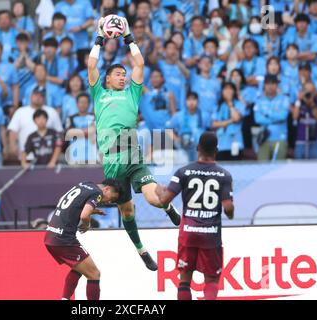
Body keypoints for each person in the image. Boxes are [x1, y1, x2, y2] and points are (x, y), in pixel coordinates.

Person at [88, 16, 181, 271]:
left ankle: (168, 206)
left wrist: (128, 36)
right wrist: (99, 37)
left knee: (154, 199)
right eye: (118, 74)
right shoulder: (100, 93)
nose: (122, 77)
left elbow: (139, 63)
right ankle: (142, 251)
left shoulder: (132, 92)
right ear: (107, 79)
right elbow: (91, 65)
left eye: (124, 74)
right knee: (127, 213)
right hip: (112, 165)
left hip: (133, 158)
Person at [155, 131, 235, 301]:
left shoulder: (183, 172)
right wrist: (230, 210)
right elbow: (228, 209)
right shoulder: (224, 175)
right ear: (216, 150)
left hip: (188, 232)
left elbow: (164, 200)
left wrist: (159, 191)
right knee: (212, 279)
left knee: (184, 279)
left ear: (198, 148)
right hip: (211, 234)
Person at [44, 179, 122, 300]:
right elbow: (84, 216)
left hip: (51, 235)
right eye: (111, 198)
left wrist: (91, 210)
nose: (109, 201)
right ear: (106, 189)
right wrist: (86, 224)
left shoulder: (85, 184)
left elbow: (67, 201)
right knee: (94, 274)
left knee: (79, 269)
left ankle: (65, 298)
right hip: (64, 239)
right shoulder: (98, 193)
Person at [8, 89, 63, 160]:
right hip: (26, 156)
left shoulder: (52, 111)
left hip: (49, 158)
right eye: (35, 95)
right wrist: (13, 146)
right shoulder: (20, 111)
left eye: (41, 95)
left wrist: (57, 151)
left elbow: (59, 132)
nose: (38, 97)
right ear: (30, 96)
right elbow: (13, 131)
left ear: (44, 98)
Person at [253, 75, 290, 160]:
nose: (270, 86)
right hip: (263, 139)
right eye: (268, 83)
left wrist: (266, 113)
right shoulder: (259, 100)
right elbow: (258, 119)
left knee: (279, 170)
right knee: (262, 169)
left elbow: (283, 116)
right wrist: (275, 117)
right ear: (264, 85)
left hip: (280, 138)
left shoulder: (284, 99)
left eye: (273, 83)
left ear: (277, 85)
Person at [166, 91, 204, 162]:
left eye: (194, 99)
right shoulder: (178, 115)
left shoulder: (204, 115)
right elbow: (168, 129)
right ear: (185, 101)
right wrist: (176, 139)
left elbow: (211, 129)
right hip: (183, 150)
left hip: (200, 151)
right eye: (189, 99)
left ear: (198, 101)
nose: (191, 102)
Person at [211, 82, 246, 161]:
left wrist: (230, 103)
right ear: (222, 91)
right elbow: (213, 124)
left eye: (230, 89)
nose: (228, 91)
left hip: (235, 143)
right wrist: (230, 121)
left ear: (234, 91)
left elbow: (236, 118)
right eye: (226, 88)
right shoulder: (218, 106)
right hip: (221, 144)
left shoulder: (239, 104)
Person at [292, 80, 317, 159]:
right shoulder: (298, 104)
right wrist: (298, 100)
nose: (309, 93)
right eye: (307, 91)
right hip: (301, 142)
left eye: (311, 91)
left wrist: (312, 104)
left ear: (315, 92)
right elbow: (294, 117)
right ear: (302, 91)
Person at [65, 93, 97, 164]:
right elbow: (69, 134)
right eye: (81, 102)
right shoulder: (70, 118)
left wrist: (76, 132)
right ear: (77, 104)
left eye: (85, 102)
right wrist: (87, 131)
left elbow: (93, 132)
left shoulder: (95, 117)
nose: (83, 104)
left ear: (89, 104)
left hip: (92, 157)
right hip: (74, 157)